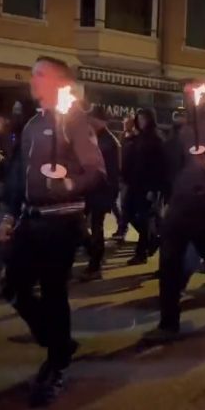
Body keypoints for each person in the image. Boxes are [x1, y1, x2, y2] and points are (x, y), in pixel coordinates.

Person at [0, 56, 106, 406]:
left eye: (40, 73)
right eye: (33, 73)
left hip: (62, 221)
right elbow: (17, 180)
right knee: (12, 286)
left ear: (59, 82)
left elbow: (96, 171)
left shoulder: (75, 122)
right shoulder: (31, 126)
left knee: (53, 290)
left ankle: (58, 363)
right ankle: (59, 342)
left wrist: (69, 183)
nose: (34, 79)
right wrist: (7, 216)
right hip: (31, 220)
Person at [148, 83, 205, 341]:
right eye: (186, 95)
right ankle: (169, 322)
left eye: (194, 94)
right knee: (168, 263)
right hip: (178, 205)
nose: (190, 99)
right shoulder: (180, 130)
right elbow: (170, 169)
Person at [80, 106, 122, 281]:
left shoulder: (109, 142)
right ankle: (94, 256)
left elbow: (113, 172)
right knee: (81, 226)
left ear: (101, 121)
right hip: (90, 190)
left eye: (92, 119)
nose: (89, 121)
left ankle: (95, 265)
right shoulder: (93, 138)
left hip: (101, 191)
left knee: (96, 227)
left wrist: (110, 195)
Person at [123, 109, 168, 266]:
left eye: (144, 118)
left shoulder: (156, 138)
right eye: (139, 118)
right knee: (128, 213)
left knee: (144, 218)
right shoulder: (139, 137)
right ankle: (152, 239)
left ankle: (142, 251)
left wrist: (154, 188)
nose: (141, 121)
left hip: (147, 185)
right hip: (135, 183)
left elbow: (159, 166)